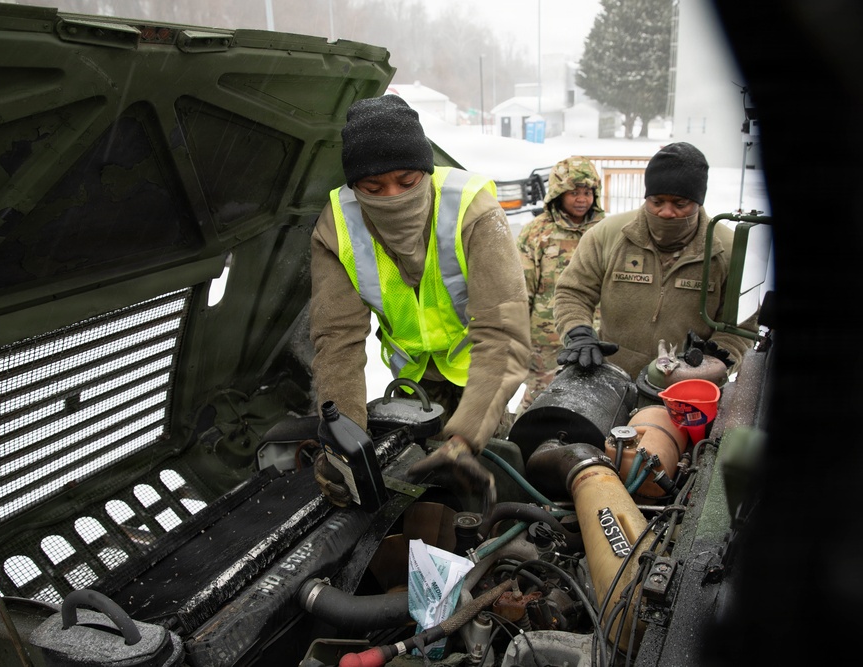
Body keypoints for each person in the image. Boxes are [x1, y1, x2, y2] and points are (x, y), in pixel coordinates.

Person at [308, 94, 531, 510]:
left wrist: (465, 438)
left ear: (426, 173)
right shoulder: (336, 228)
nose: (392, 196)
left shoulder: (473, 211)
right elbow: (337, 339)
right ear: (355, 187)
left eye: (408, 182)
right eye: (373, 188)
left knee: (492, 483)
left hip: (481, 375)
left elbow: (504, 331)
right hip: (412, 384)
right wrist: (343, 443)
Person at [553, 141, 756, 382]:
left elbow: (741, 326)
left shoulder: (728, 250)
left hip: (687, 387)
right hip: (610, 378)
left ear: (699, 201)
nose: (667, 213)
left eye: (680, 204)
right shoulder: (608, 235)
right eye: (657, 202)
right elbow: (573, 292)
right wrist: (577, 332)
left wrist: (713, 363)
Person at [515, 156, 604, 414]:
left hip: (593, 336)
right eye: (573, 192)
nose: (581, 199)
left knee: (589, 402)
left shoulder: (603, 231)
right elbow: (522, 289)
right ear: (557, 193)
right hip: (545, 342)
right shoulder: (536, 233)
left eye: (587, 192)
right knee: (538, 401)